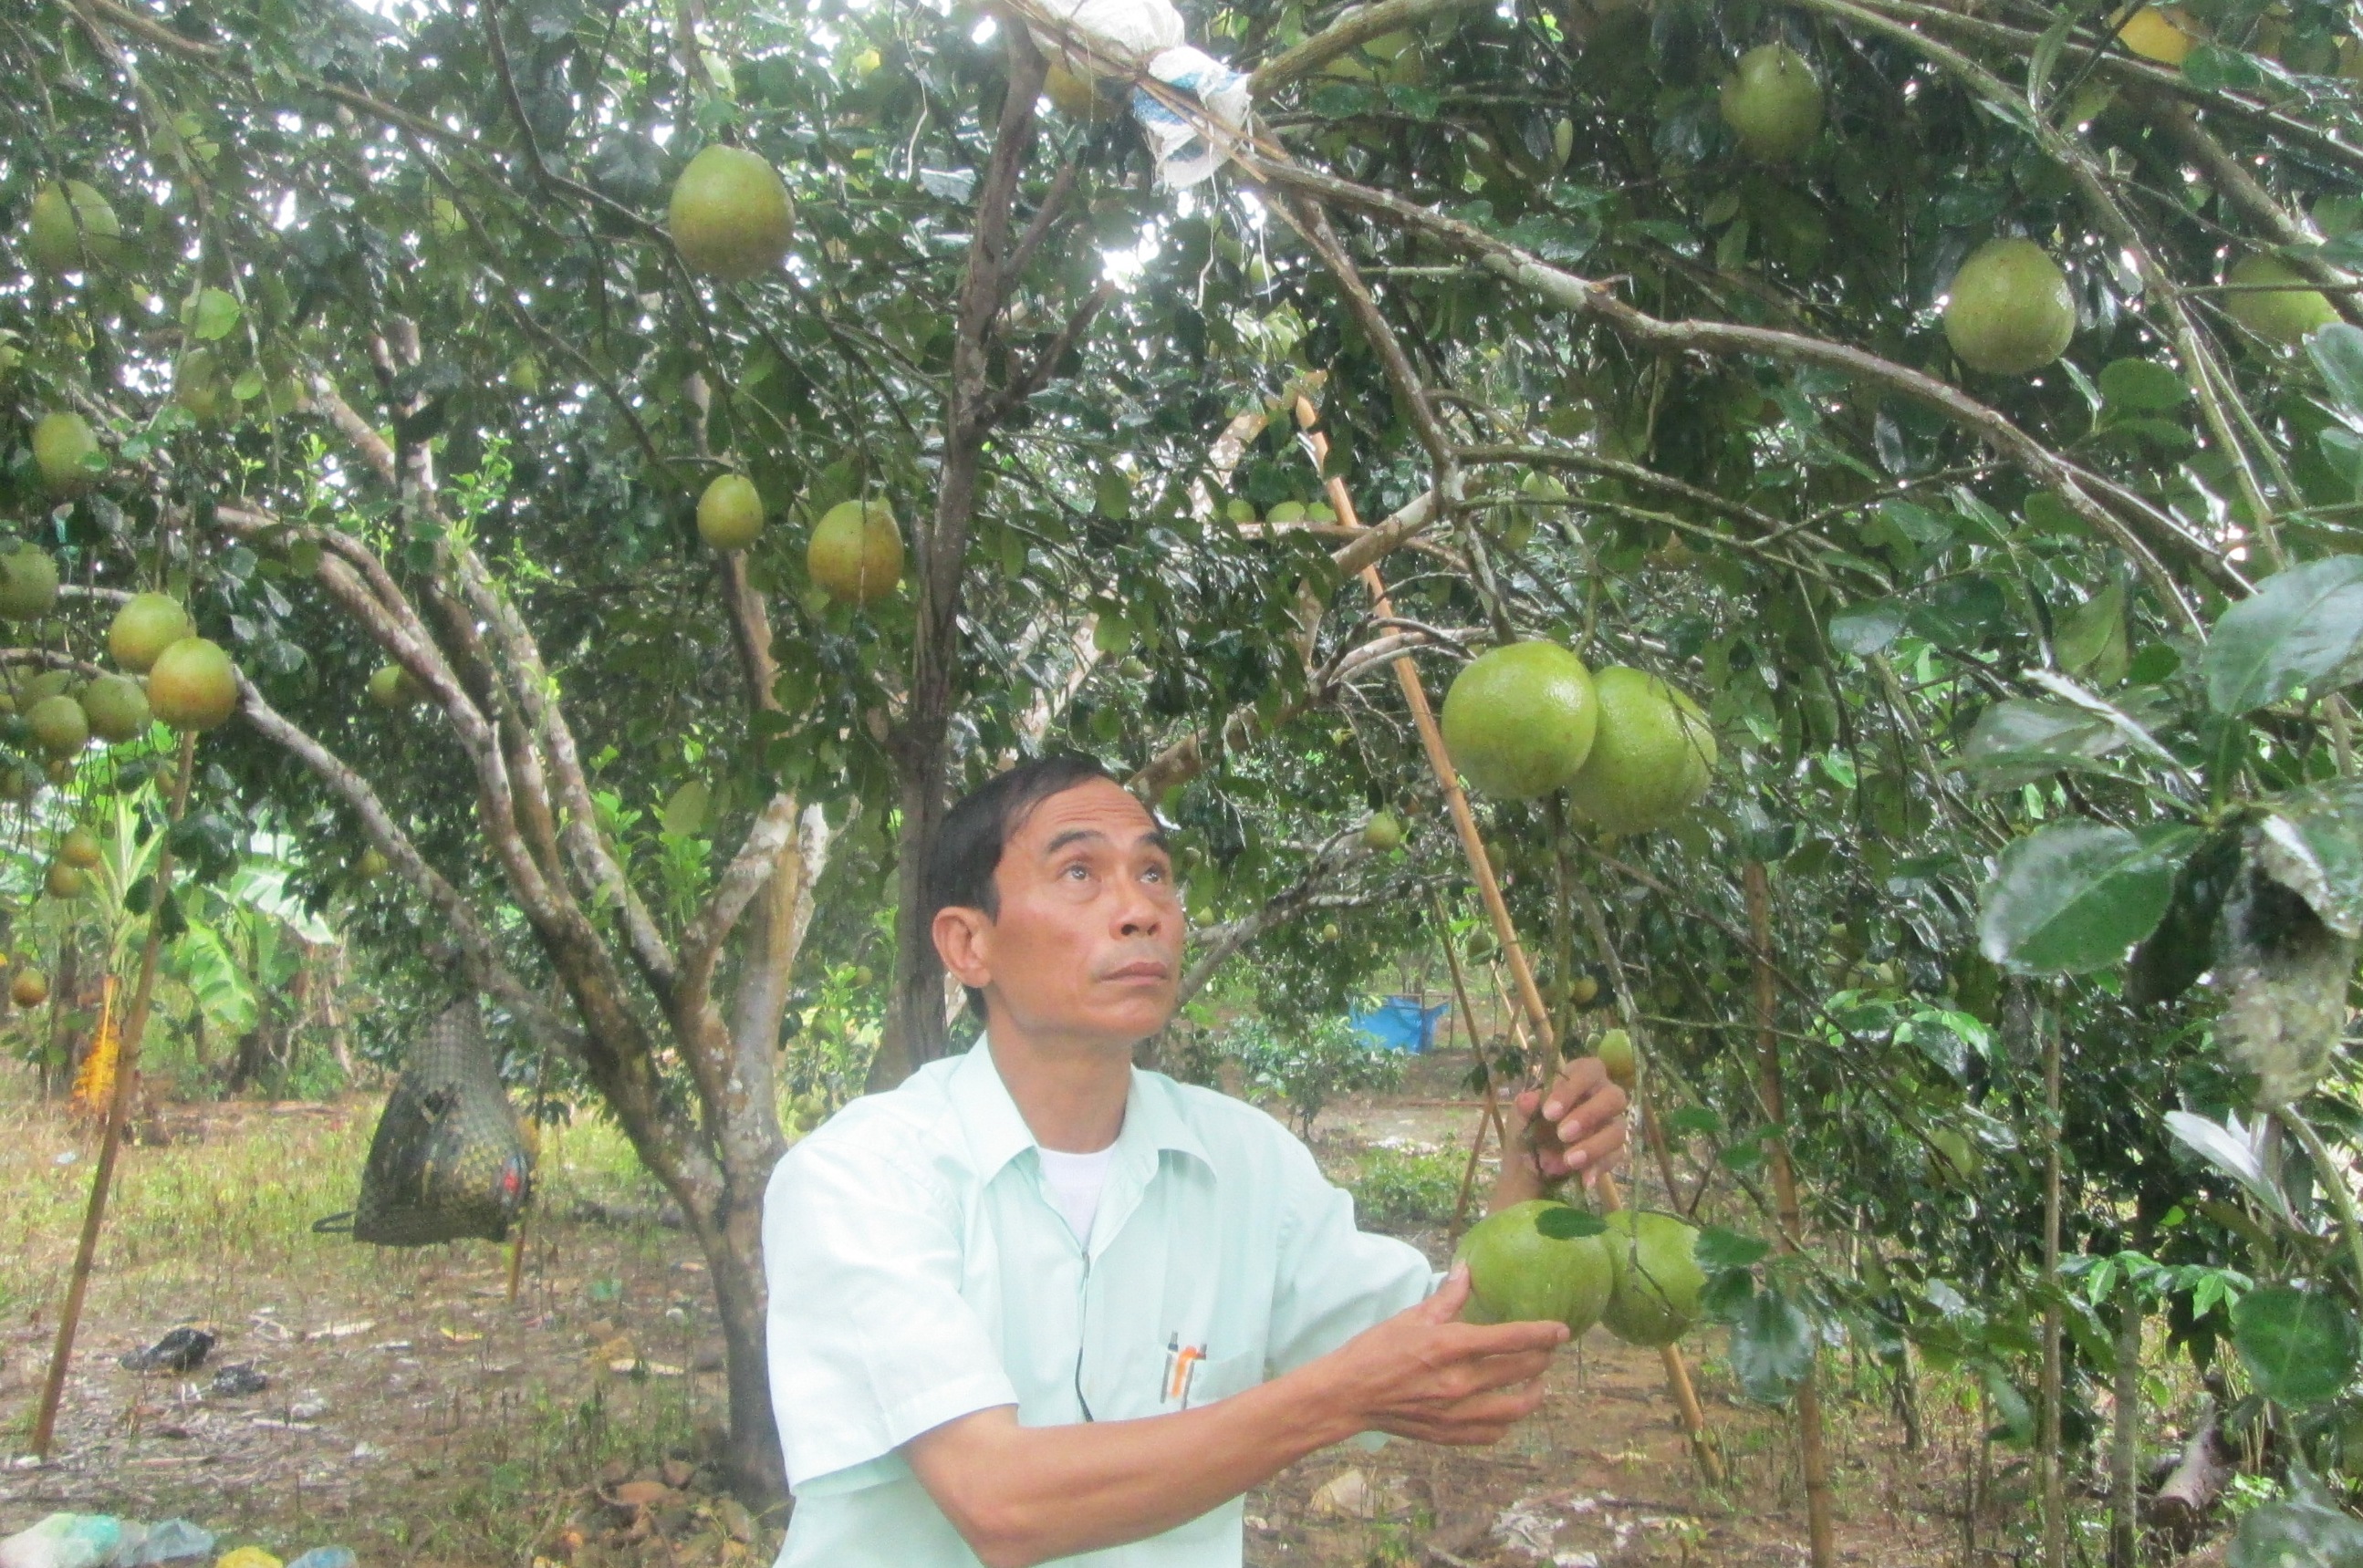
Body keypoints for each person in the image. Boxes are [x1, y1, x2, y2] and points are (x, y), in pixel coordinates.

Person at [763, 754, 1630, 1568]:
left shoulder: (1247, 1166)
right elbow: (999, 1499)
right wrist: (1332, 1398)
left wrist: (1534, 1191)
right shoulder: (865, 1174)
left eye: (1154, 874)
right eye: (1079, 873)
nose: (1139, 908)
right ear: (968, 945)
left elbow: (1459, 1357)